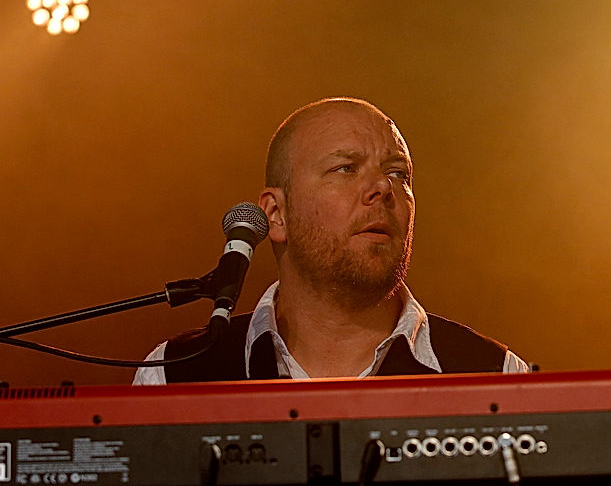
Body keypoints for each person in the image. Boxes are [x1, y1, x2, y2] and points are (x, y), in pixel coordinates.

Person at [134, 97, 526, 383]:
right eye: (346, 168)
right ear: (276, 215)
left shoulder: (495, 373)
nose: (382, 187)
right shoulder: (172, 373)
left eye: (399, 174)